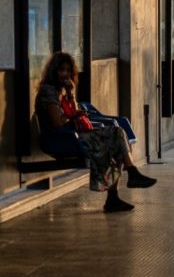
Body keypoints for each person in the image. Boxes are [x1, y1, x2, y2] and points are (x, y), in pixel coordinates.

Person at [34, 52, 156, 212]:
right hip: (62, 139)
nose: (65, 74)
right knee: (116, 135)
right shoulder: (48, 91)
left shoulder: (61, 90)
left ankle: (115, 196)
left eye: (68, 70)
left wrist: (71, 95)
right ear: (53, 71)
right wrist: (73, 115)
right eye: (61, 70)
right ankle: (130, 176)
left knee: (116, 141)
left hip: (73, 135)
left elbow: (73, 113)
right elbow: (58, 122)